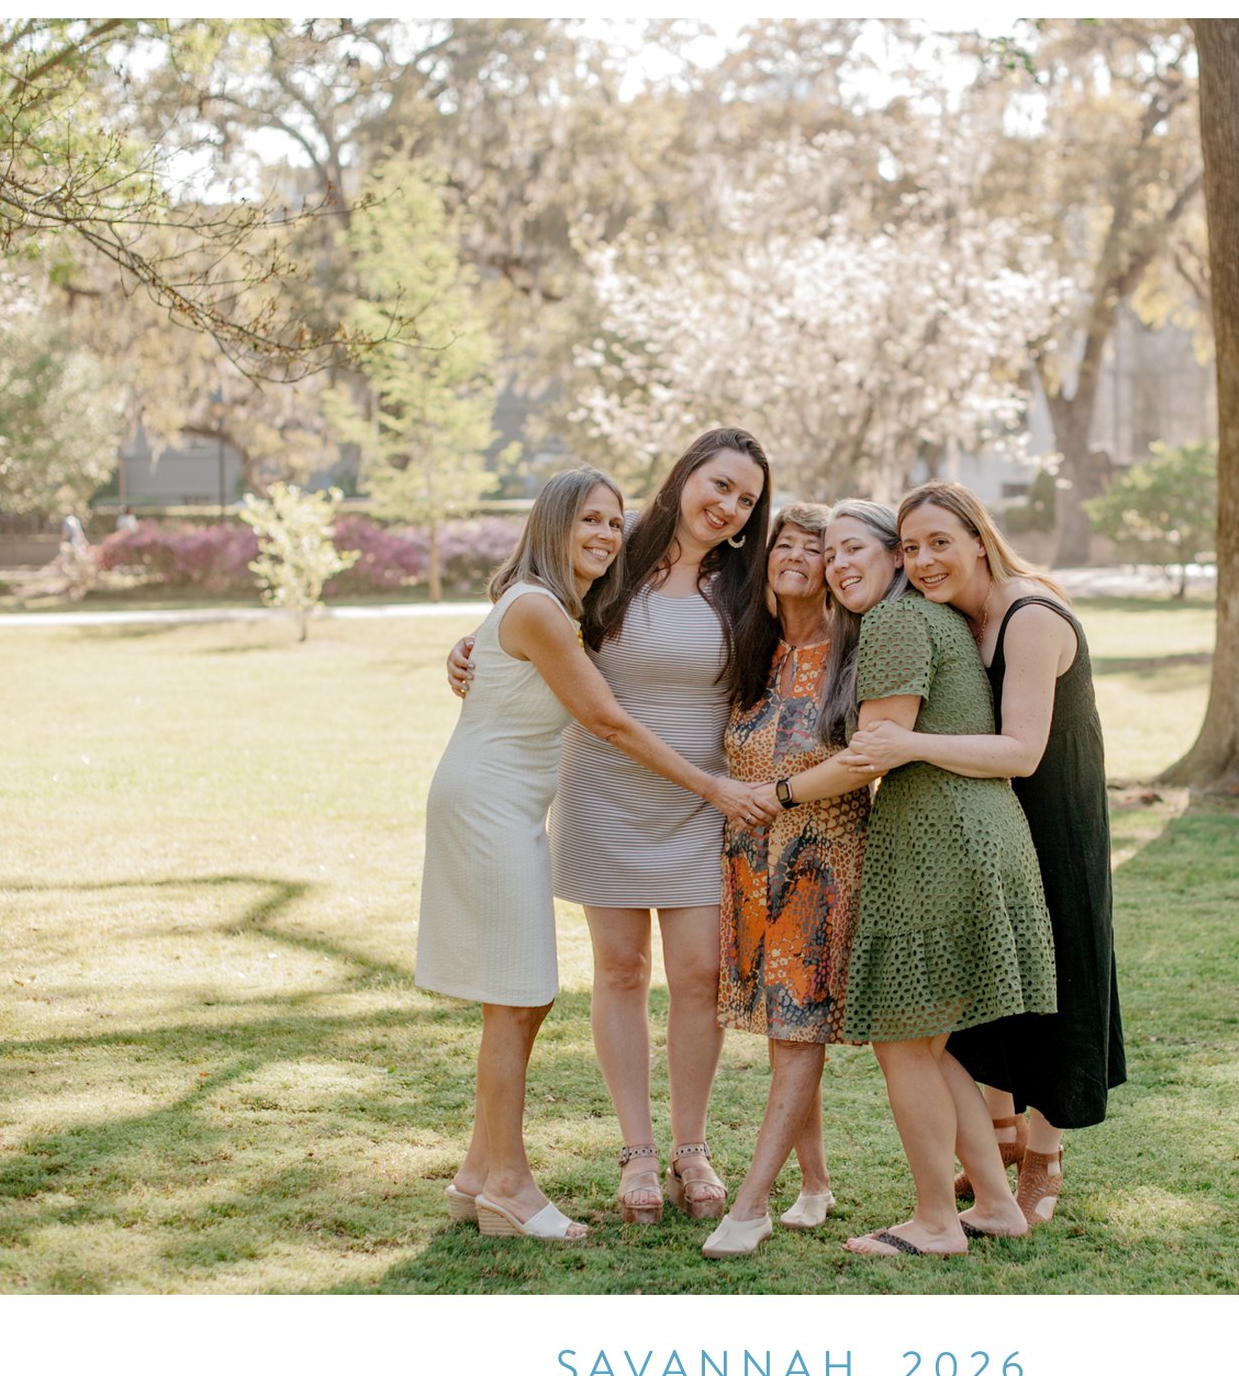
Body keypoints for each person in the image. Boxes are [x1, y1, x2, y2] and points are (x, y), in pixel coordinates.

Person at [418, 466, 774, 1241]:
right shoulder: (566, 594)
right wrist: (472, 649)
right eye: (590, 520)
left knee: (532, 996)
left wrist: (483, 646)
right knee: (525, 995)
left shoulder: (583, 594)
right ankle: (523, 1182)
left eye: (747, 498)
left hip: (525, 804)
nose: (607, 534)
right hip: (526, 804)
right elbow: (599, 711)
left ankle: (481, 1176)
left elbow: (523, 637)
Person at [845, 480, 1125, 1226]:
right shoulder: (949, 616)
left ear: (979, 538)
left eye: (941, 542)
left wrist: (906, 745)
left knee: (1058, 985)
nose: (925, 560)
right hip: (985, 814)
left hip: (1053, 815)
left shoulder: (1029, 616)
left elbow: (1023, 751)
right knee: (990, 985)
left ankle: (1044, 1157)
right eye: (911, 547)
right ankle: (998, 1137)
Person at [810, 500, 1055, 1259]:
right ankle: (996, 1205)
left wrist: (774, 795)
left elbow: (871, 751)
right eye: (829, 555)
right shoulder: (938, 619)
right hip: (976, 830)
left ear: (891, 556)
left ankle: (936, 1222)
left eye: (855, 549)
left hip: (937, 837)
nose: (839, 565)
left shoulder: (895, 621)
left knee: (902, 1039)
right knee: (929, 1043)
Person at [701, 502, 867, 1259]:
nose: (798, 556)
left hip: (821, 860)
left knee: (799, 1029)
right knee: (783, 1031)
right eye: (785, 544)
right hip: (745, 860)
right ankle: (816, 1184)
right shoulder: (748, 644)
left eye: (815, 548)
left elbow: (866, 756)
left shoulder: (853, 649)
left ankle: (750, 1205)